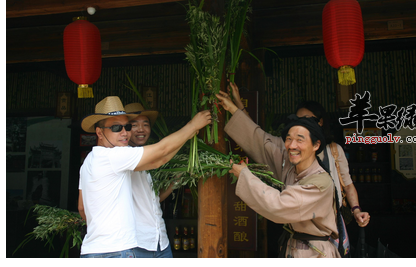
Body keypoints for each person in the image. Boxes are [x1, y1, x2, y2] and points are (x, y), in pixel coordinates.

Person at [78, 96, 211, 258]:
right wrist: (192, 126)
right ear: (99, 132)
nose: (124, 132)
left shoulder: (89, 161)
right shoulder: (113, 156)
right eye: (116, 128)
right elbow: (160, 155)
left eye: (127, 126)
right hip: (116, 250)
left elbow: (82, 207)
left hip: (99, 248)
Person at [216, 92, 342, 258]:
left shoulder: (320, 182)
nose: (292, 145)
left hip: (315, 254)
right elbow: (261, 143)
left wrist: (245, 175)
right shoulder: (289, 165)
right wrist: (232, 108)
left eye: (300, 139)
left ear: (316, 145)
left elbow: (279, 206)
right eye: (288, 139)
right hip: (293, 249)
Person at [295, 101, 370, 228]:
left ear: (320, 122)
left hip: (332, 219)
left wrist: (356, 210)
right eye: (298, 120)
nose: (302, 125)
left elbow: (347, 185)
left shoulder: (334, 150)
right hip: (301, 220)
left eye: (307, 120)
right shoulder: (292, 150)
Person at [124, 102, 174, 258]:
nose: (141, 129)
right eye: (134, 125)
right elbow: (163, 152)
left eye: (145, 124)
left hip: (160, 241)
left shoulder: (143, 159)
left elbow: (153, 199)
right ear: (124, 129)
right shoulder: (123, 156)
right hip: (136, 244)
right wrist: (193, 126)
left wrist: (176, 181)